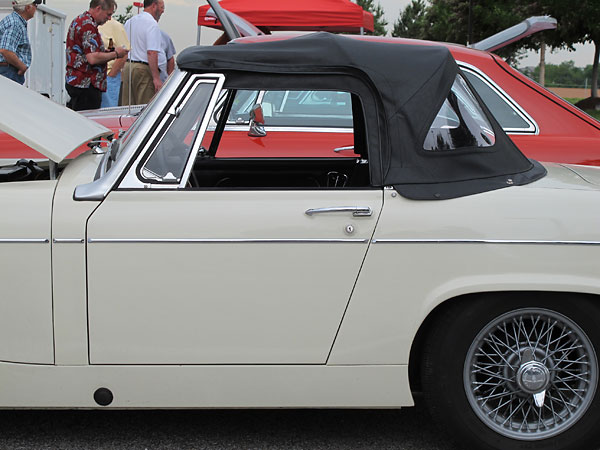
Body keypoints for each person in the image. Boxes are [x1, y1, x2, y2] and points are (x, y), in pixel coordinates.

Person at [65, 0, 129, 111]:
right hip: (86, 85)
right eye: (108, 14)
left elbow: (87, 52)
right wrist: (116, 54)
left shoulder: (80, 21)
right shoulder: (88, 25)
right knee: (89, 122)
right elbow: (92, 58)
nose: (109, 18)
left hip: (78, 83)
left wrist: (107, 52)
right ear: (98, 8)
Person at [121, 0, 164, 105]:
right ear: (154, 6)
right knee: (144, 107)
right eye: (162, 7)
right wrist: (156, 78)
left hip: (128, 66)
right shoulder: (152, 24)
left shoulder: (130, 22)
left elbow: (124, 47)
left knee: (128, 106)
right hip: (142, 70)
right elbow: (152, 52)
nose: (162, 11)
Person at [0, 0, 40, 85]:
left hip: (6, 69)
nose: (36, 7)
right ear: (27, 7)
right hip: (9, 71)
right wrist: (22, 67)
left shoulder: (12, 20)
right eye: (35, 4)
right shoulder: (16, 23)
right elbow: (5, 50)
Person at [98, 17, 130, 107]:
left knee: (107, 111)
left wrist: (112, 74)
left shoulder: (116, 26)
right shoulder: (91, 25)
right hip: (94, 77)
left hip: (109, 77)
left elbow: (125, 51)